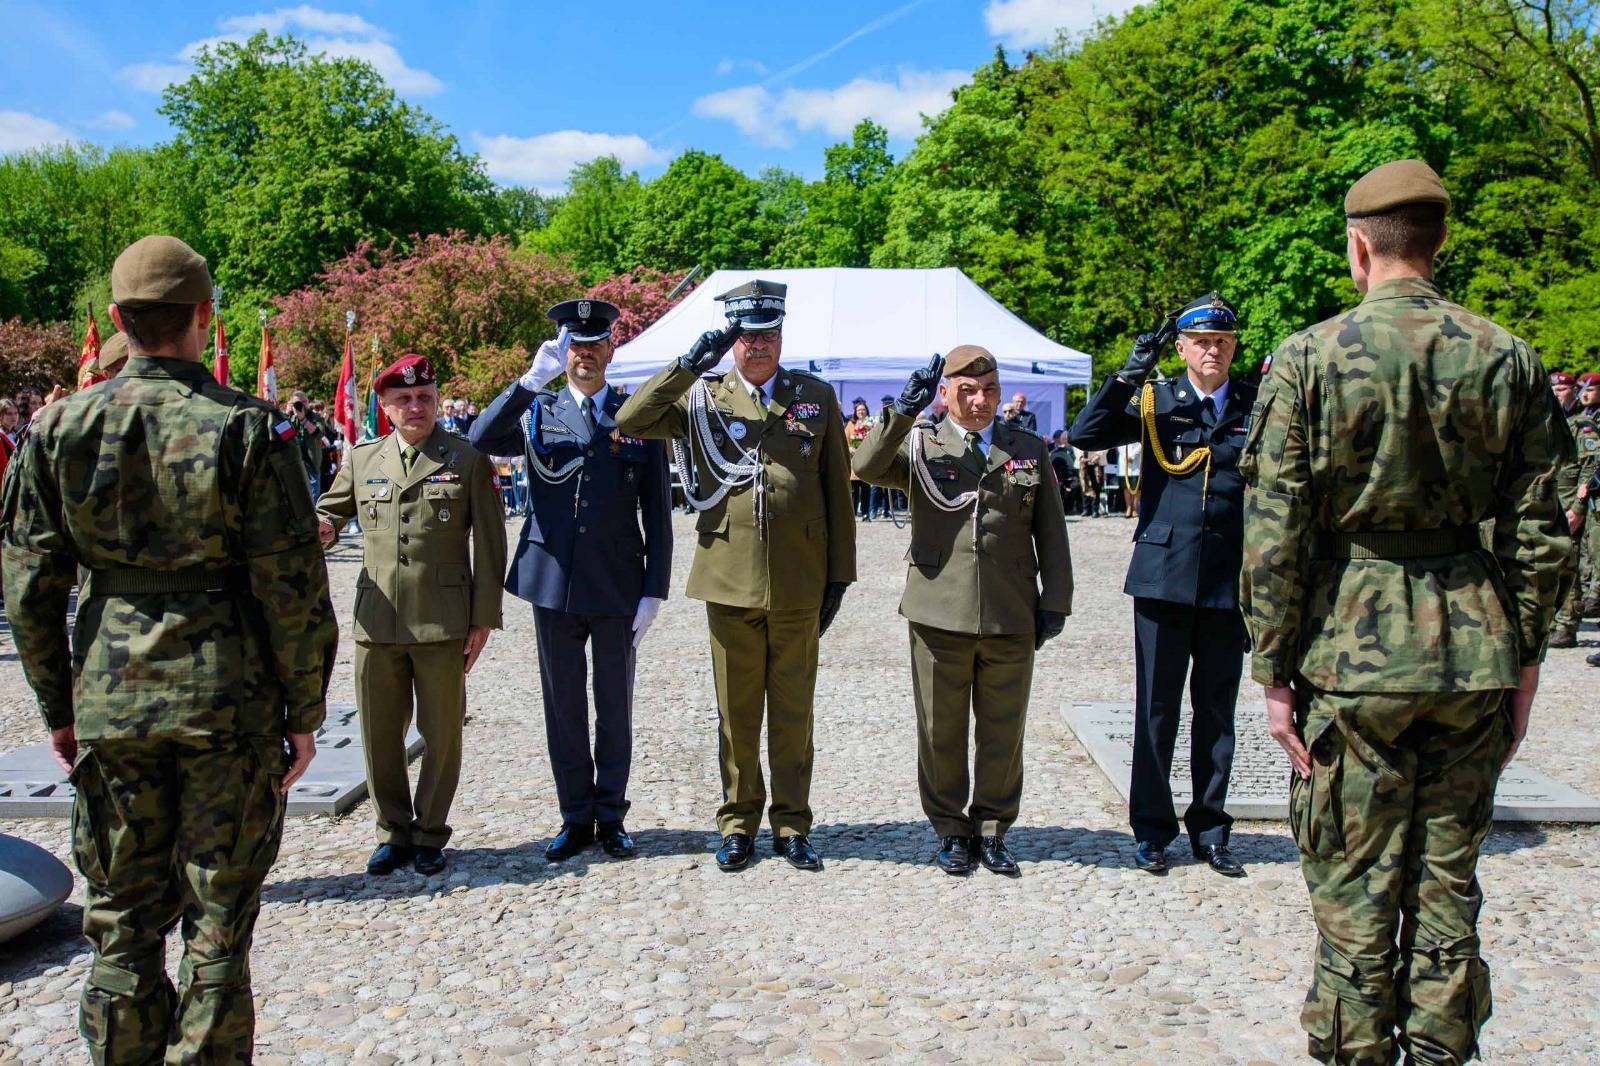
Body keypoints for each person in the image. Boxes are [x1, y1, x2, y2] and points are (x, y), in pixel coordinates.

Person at [1241, 159, 1572, 1065]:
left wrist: (1273, 672)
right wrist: (1526, 659)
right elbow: (1542, 527)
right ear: (1440, 242)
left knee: (1354, 890)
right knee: (1445, 889)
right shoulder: (1507, 357)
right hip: (1472, 649)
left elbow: (1274, 532)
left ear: (1359, 247)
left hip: (1350, 652)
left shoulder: (1309, 359)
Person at [1, 234, 337, 1063]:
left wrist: (58, 707)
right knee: (217, 927)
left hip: (110, 699)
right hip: (228, 700)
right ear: (204, 317)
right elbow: (292, 588)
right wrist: (304, 711)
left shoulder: (58, 428)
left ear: (119, 320)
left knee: (121, 925)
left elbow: (29, 587)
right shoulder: (248, 429)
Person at [616, 279, 855, 872]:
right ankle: (739, 822)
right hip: (727, 577)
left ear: (781, 335)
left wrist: (839, 576)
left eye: (768, 333)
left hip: (799, 579)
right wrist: (688, 363)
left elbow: (837, 491)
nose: (758, 345)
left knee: (794, 711)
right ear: (731, 342)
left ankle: (792, 823)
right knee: (737, 710)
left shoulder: (814, 396)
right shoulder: (702, 396)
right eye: (746, 336)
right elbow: (632, 417)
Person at [853, 348, 1072, 876]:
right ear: (945, 393)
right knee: (940, 729)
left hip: (1009, 609)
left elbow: (1051, 528)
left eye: (990, 390)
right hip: (938, 608)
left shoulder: (1026, 447)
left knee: (1004, 729)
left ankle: (993, 827)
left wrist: (1056, 600)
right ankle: (951, 827)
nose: (980, 401)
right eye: (968, 391)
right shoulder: (921, 443)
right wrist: (901, 411)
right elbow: (865, 466)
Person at [469, 299, 672, 863]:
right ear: (563, 353)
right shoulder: (540, 408)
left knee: (614, 704)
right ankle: (575, 816)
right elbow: (481, 437)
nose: (585, 355)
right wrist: (528, 382)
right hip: (553, 579)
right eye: (574, 346)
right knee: (563, 705)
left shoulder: (636, 415)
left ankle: (612, 815)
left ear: (611, 349)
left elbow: (657, 509)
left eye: (594, 344)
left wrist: (654, 588)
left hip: (616, 581)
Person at [1071, 291, 1257, 877]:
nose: (1212, 351)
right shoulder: (1157, 400)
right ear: (1181, 348)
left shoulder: (1255, 403)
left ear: (1233, 347)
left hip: (1228, 577)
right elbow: (1085, 434)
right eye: (1201, 342)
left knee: (1217, 711)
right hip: (1162, 576)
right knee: (1157, 708)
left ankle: (1211, 828)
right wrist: (1129, 373)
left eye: (1222, 341)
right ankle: (1152, 829)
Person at [316, 354, 507, 876]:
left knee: (442, 734)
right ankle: (392, 831)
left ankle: (429, 832)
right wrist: (322, 528)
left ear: (437, 400)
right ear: (384, 405)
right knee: (379, 734)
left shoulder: (466, 459)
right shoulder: (363, 460)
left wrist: (483, 618)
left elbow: (491, 547)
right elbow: (330, 512)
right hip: (377, 619)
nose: (415, 407)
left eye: (424, 397)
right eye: (403, 399)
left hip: (442, 620)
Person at [1549, 371, 1599, 647]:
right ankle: (1553, 621)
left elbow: (1591, 465)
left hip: (1570, 504)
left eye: (1562, 390)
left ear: (1573, 392)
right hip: (1549, 502)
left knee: (1570, 563)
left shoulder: (1583, 425)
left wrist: (1579, 506)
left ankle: (1567, 624)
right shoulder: (1548, 421)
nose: (1557, 394)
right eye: (1553, 390)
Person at [844, 397, 874, 519]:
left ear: (866, 411)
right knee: (854, 489)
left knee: (866, 488)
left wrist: (869, 429)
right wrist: (849, 448)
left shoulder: (871, 423)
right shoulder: (850, 424)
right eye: (859, 410)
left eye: (863, 410)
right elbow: (844, 441)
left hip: (866, 460)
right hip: (854, 460)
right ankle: (853, 513)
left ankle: (866, 513)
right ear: (855, 412)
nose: (861, 412)